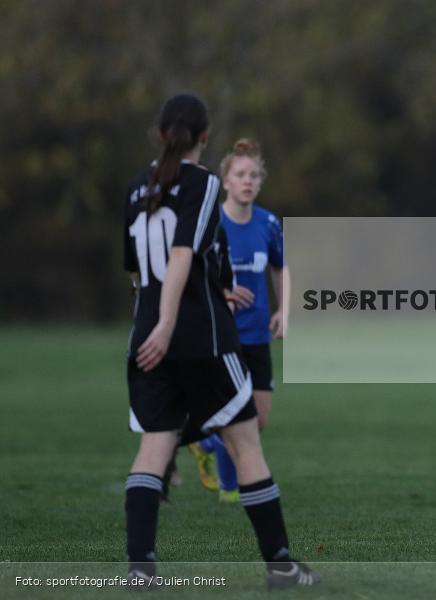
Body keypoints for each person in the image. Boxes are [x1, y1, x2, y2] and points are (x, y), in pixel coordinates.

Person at [123, 93, 318, 588]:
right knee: (246, 444)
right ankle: (281, 568)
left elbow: (136, 273)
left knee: (153, 449)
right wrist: (171, 323)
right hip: (199, 338)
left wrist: (153, 326)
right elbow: (183, 253)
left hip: (146, 338)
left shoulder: (135, 189)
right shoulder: (204, 183)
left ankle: (141, 571)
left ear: (159, 133)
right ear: (205, 138)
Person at [189, 138, 289, 503]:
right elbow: (192, 271)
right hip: (222, 336)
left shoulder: (268, 223)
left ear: (260, 182)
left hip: (258, 335)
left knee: (258, 421)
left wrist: (284, 310)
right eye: (240, 175)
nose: (248, 181)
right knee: (233, 415)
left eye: (254, 176)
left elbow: (281, 268)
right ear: (226, 181)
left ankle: (205, 444)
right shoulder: (210, 222)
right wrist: (223, 294)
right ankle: (231, 490)